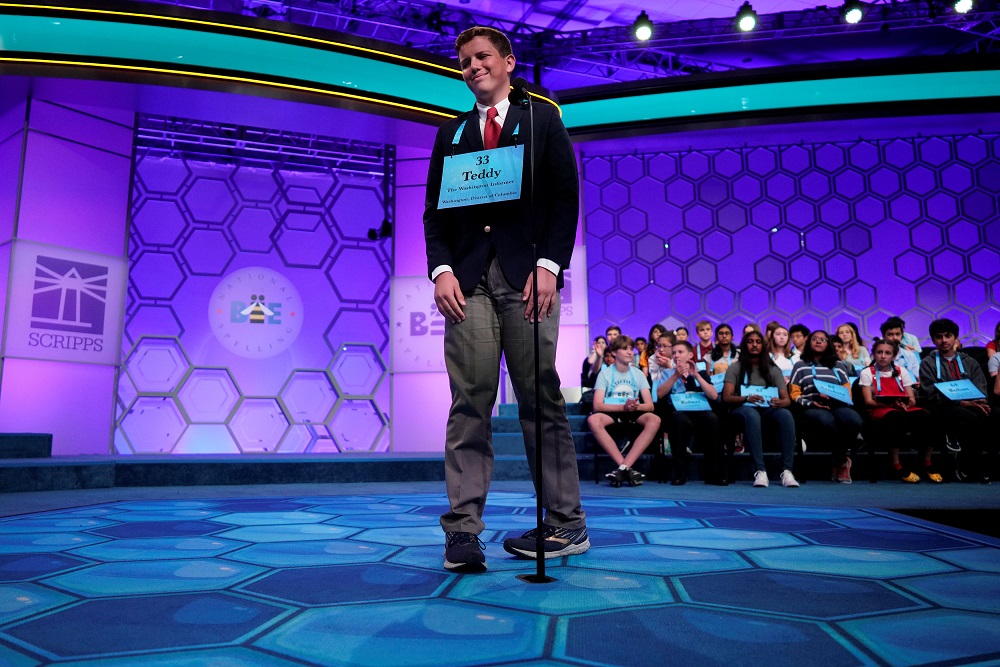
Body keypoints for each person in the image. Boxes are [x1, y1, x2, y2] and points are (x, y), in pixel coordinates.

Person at [424, 26, 586, 570]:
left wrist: (550, 265)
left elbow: (565, 198)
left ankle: (566, 522)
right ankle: (463, 531)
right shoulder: (450, 134)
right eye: (464, 62)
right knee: (469, 402)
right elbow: (435, 215)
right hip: (467, 284)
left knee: (540, 398)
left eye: (482, 57)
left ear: (509, 62)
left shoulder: (541, 119)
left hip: (527, 279)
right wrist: (441, 270)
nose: (473, 67)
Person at [919, 318, 998, 483]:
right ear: (933, 340)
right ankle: (969, 467)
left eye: (948, 336)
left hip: (972, 405)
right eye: (939, 337)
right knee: (970, 418)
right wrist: (962, 402)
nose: (944, 340)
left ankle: (980, 466)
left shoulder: (969, 361)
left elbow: (981, 387)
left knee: (993, 415)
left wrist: (979, 403)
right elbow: (930, 392)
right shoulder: (927, 363)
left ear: (955, 338)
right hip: (942, 407)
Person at [722, 331, 799, 488]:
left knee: (785, 414)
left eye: (758, 342)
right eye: (750, 341)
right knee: (752, 415)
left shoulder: (773, 369)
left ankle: (787, 471)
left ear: (763, 346)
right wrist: (746, 398)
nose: (754, 345)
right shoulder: (735, 367)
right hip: (742, 408)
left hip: (768, 408)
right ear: (745, 345)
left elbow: (786, 399)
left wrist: (780, 402)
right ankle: (760, 470)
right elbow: (727, 397)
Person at [858, 339, 940, 483]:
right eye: (879, 352)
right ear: (874, 354)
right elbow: (868, 402)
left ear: (894, 356)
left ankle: (927, 462)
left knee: (926, 416)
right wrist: (890, 404)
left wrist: (906, 404)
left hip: (902, 407)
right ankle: (896, 464)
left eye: (887, 353)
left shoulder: (902, 371)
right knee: (896, 418)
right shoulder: (866, 372)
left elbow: (912, 399)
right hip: (880, 409)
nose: (883, 356)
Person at [789, 329, 862, 484]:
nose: (818, 341)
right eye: (814, 338)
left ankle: (840, 459)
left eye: (822, 339)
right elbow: (794, 394)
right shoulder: (800, 366)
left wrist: (834, 398)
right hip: (811, 406)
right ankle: (842, 461)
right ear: (809, 342)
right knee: (827, 421)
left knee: (854, 420)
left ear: (828, 344)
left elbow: (847, 392)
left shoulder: (839, 366)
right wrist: (810, 403)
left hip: (837, 404)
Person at [588, 335, 660, 487]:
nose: (630, 352)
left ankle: (622, 468)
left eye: (631, 349)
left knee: (655, 419)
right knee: (593, 419)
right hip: (613, 410)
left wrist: (635, 407)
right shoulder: (605, 373)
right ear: (614, 352)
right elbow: (597, 405)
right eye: (625, 349)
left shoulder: (638, 373)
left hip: (633, 410)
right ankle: (626, 468)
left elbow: (650, 406)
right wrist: (623, 408)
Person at [654, 340, 726, 486]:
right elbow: (660, 394)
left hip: (700, 411)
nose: (676, 355)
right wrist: (675, 375)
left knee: (712, 419)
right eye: (674, 353)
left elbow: (713, 395)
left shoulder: (701, 372)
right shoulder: (668, 373)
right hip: (679, 412)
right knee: (677, 419)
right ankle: (679, 472)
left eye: (680, 352)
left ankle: (714, 473)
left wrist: (697, 376)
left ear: (690, 355)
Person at [880, 316, 921, 382]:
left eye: (897, 334)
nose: (895, 338)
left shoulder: (910, 355)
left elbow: (918, 377)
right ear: (883, 336)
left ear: (902, 335)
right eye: (890, 335)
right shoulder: (878, 356)